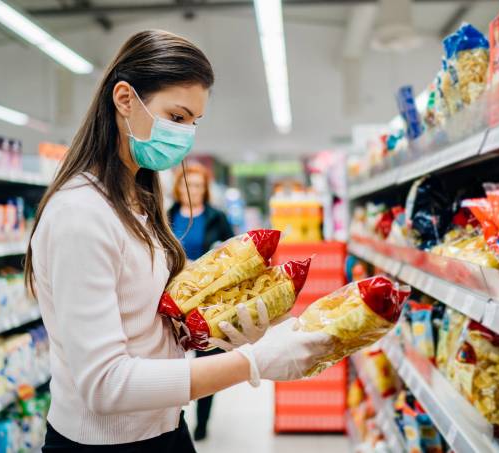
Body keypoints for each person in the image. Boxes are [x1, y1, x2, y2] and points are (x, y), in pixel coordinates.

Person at [25, 30, 332, 452]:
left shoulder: (138, 201)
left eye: (194, 122)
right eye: (177, 116)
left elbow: (142, 322)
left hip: (164, 429)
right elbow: (105, 384)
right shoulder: (80, 214)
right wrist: (252, 364)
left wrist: (218, 327)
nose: (187, 135)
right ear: (124, 99)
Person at [168, 163, 233, 441]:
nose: (191, 190)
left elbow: (233, 253)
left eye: (197, 185)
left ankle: (202, 421)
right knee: (171, 360)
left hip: (208, 301)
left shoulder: (217, 218)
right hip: (173, 300)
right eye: (186, 184)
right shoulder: (165, 215)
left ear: (205, 189)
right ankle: (173, 416)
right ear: (178, 187)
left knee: (207, 360)